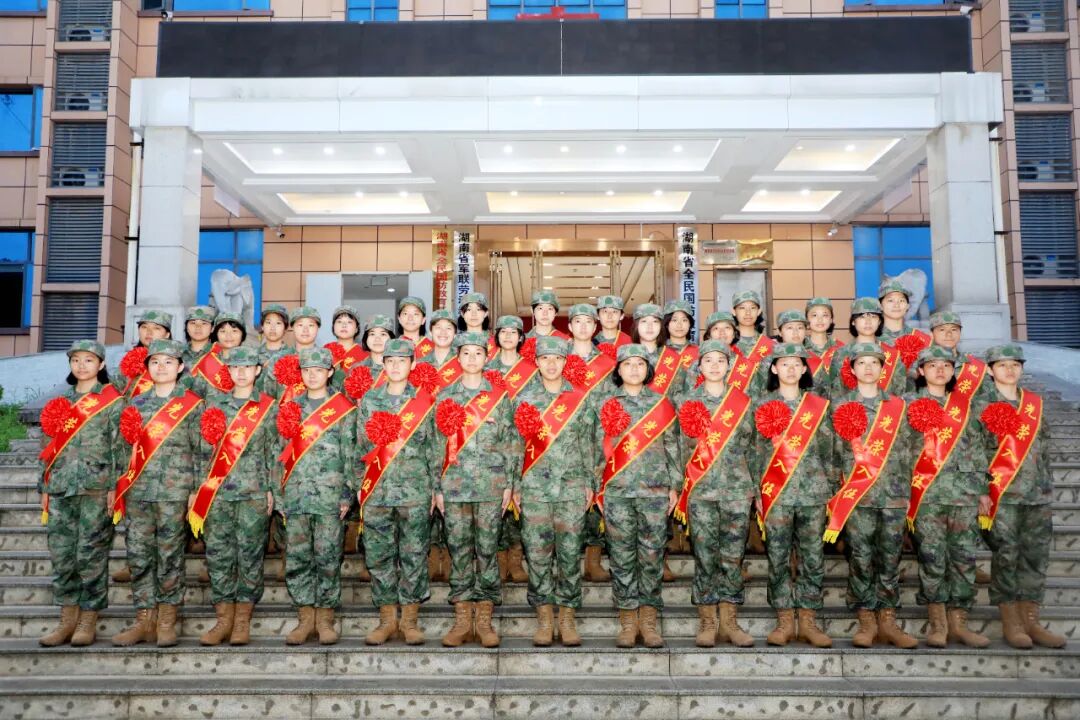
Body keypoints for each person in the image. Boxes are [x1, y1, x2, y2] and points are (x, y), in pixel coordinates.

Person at [111, 339, 205, 648]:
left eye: (168, 362)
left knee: (170, 556)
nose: (161, 367)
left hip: (175, 493)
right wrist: (117, 486)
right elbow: (122, 451)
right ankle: (144, 620)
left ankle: (167, 621)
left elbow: (201, 451)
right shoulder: (135, 405)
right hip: (138, 491)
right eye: (155, 362)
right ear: (147, 368)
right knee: (139, 556)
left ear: (180, 367)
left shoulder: (193, 404)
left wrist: (196, 491)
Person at [825, 342, 917, 649]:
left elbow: (910, 450)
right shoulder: (839, 406)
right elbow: (832, 453)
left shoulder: (898, 406)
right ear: (852, 369)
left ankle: (888, 620)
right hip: (857, 495)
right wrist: (835, 492)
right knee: (861, 557)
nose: (868, 368)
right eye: (862, 362)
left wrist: (909, 490)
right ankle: (866, 620)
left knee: (890, 557)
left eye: (874, 363)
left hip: (893, 493)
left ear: (882, 368)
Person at [511, 336, 600, 646]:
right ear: (536, 362)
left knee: (570, 553)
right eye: (545, 358)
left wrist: (591, 483)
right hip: (534, 488)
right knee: (537, 554)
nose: (551, 364)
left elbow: (589, 444)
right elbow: (514, 447)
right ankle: (545, 618)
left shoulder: (580, 398)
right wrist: (515, 485)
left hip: (571, 488)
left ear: (565, 362)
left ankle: (567, 618)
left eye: (558, 359)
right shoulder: (524, 399)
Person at [977, 344, 1066, 649]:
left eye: (1015, 365)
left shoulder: (1034, 404)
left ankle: (1031, 619)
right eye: (1002, 365)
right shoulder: (981, 406)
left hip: (1036, 495)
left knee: (1035, 557)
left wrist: (1046, 484)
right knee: (1006, 555)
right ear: (990, 371)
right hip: (1002, 496)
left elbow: (1044, 446)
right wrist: (981, 491)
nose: (1010, 370)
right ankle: (1011, 621)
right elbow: (975, 452)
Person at [190, 346, 278, 646]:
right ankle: (223, 619)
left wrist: (272, 490)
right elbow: (202, 452)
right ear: (228, 371)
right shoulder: (214, 406)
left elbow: (274, 453)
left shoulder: (268, 407)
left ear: (257, 370)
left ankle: (242, 621)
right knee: (218, 555)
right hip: (216, 494)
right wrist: (196, 489)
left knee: (250, 555)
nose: (241, 372)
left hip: (254, 491)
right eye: (235, 367)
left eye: (247, 367)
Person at [37, 340, 123, 647]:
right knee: (62, 556)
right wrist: (44, 487)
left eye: (89, 360)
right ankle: (66, 620)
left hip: (96, 488)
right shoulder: (60, 402)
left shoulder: (113, 401)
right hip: (61, 487)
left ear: (101, 364)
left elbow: (120, 448)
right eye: (76, 360)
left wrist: (115, 488)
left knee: (91, 555)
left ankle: (88, 620)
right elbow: (47, 449)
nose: (82, 365)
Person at [356, 338, 440, 646]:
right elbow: (359, 447)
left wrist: (435, 488)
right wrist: (359, 486)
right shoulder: (369, 400)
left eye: (401, 361)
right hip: (377, 490)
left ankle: (410, 621)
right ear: (383, 364)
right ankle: (387, 619)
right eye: (390, 361)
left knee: (414, 554)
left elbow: (434, 448)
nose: (395, 366)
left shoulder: (424, 400)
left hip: (415, 490)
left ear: (412, 364)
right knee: (379, 556)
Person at [750, 343, 835, 648]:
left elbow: (829, 451)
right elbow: (753, 452)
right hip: (776, 493)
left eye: (796, 364)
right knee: (778, 556)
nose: (790, 369)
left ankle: (809, 620)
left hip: (813, 492)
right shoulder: (760, 405)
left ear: (804, 369)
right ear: (774, 368)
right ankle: (784, 620)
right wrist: (756, 491)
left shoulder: (818, 406)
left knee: (812, 557)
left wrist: (832, 491)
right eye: (783, 363)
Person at [434, 332, 516, 648]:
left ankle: (484, 620)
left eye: (477, 353)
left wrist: (510, 483)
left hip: (491, 487)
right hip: (454, 486)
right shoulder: (445, 396)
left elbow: (510, 443)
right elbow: (435, 446)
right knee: (458, 550)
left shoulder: (499, 397)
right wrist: (436, 487)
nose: (471, 359)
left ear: (486, 358)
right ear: (457, 357)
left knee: (487, 551)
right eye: (466, 353)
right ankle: (461, 619)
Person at [905, 344, 990, 648]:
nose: (940, 370)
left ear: (954, 371)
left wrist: (982, 490)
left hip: (964, 495)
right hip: (926, 494)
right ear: (921, 371)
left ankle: (960, 623)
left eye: (946, 366)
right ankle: (938, 624)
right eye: (932, 365)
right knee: (932, 558)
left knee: (964, 559)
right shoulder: (907, 405)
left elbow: (977, 450)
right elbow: (900, 451)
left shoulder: (966, 406)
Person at [596, 344, 680, 648]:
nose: (634, 369)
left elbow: (673, 447)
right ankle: (628, 623)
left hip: (654, 491)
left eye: (640, 364)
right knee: (621, 557)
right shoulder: (606, 403)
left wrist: (675, 485)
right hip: (617, 491)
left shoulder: (661, 404)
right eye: (628, 364)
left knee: (652, 556)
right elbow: (596, 449)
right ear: (618, 370)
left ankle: (649, 622)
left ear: (649, 370)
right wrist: (597, 487)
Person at [674, 339, 755, 648]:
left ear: (729, 366)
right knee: (705, 556)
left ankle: (730, 622)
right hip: (700, 491)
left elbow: (754, 447)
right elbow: (678, 448)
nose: (715, 366)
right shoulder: (685, 401)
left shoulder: (743, 402)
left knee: (733, 557)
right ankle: (708, 621)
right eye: (708, 360)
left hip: (737, 490)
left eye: (721, 360)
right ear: (699, 366)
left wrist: (756, 487)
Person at [277, 348, 357, 645]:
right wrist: (279, 494)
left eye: (319, 370)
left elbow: (351, 454)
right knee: (298, 558)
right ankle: (304, 618)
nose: (312, 375)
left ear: (330, 372)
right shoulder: (290, 408)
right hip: (296, 495)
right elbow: (278, 454)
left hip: (330, 496)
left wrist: (347, 493)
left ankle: (325, 619)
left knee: (327, 557)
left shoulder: (343, 408)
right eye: (307, 370)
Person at [830, 298, 910, 399]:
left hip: (885, 408)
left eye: (873, 316)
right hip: (851, 407)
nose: (868, 322)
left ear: (879, 321)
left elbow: (899, 392)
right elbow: (836, 393)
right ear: (853, 321)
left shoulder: (893, 354)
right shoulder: (841, 354)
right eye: (862, 317)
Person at [730, 291, 775, 398]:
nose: (748, 313)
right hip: (732, 403)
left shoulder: (772, 346)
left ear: (759, 311)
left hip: (763, 403)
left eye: (753, 308)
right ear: (733, 311)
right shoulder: (726, 344)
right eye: (742, 308)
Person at [878, 278, 932, 349]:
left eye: (901, 300)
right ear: (880, 305)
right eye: (890, 300)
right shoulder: (872, 339)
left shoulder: (922, 339)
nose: (896, 305)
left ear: (908, 306)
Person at [418, 309, 463, 392]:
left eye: (448, 328)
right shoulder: (419, 365)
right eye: (438, 327)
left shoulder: (464, 362)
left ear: (455, 334)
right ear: (430, 332)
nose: (443, 332)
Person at [803, 298, 843, 389]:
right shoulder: (800, 349)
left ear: (831, 319)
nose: (820, 320)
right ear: (807, 320)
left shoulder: (841, 348)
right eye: (814, 315)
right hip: (807, 397)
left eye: (825, 315)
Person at [325, 305, 368, 381]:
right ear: (333, 327)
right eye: (339, 321)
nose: (344, 325)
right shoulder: (325, 351)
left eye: (349, 322)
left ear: (356, 329)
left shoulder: (366, 355)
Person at [358, 314, 397, 389]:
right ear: (366, 339)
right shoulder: (357, 369)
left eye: (383, 334)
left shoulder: (399, 368)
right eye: (372, 334)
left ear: (391, 339)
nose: (377, 339)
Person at [457, 292, 495, 358]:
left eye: (478, 309)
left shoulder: (495, 342)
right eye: (469, 309)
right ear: (462, 313)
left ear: (486, 313)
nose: (473, 314)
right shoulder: (454, 342)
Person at [182, 305, 217, 370]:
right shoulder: (177, 353)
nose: (198, 327)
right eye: (193, 323)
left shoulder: (220, 354)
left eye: (204, 323)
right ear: (186, 327)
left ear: (212, 328)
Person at [257, 303, 291, 369]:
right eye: (268, 322)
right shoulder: (253, 355)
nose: (272, 328)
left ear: (285, 328)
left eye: (278, 323)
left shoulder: (292, 356)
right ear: (262, 326)